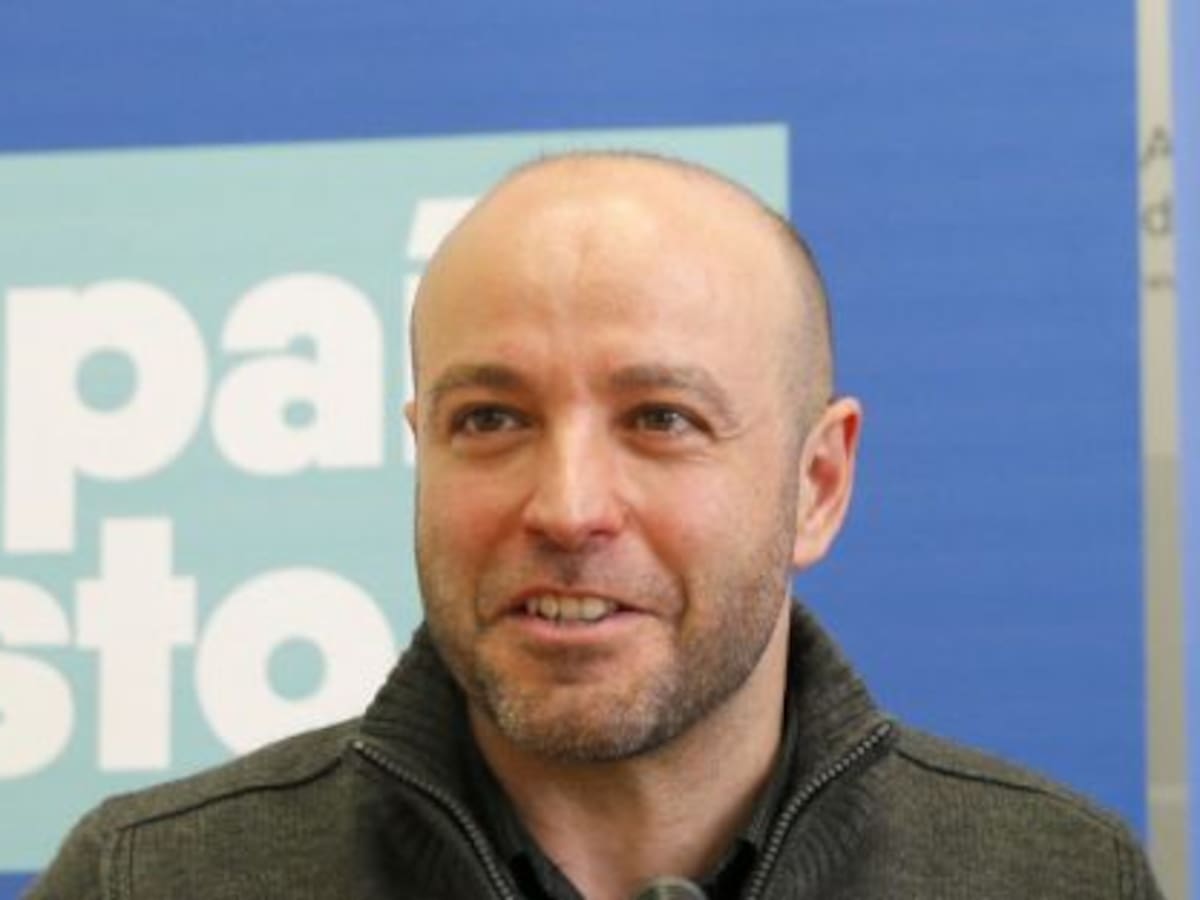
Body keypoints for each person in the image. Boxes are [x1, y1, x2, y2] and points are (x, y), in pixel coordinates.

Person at [30, 152, 1163, 900]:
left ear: (817, 484)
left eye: (661, 419)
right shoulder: (150, 881)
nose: (568, 508)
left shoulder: (1058, 877)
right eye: (490, 419)